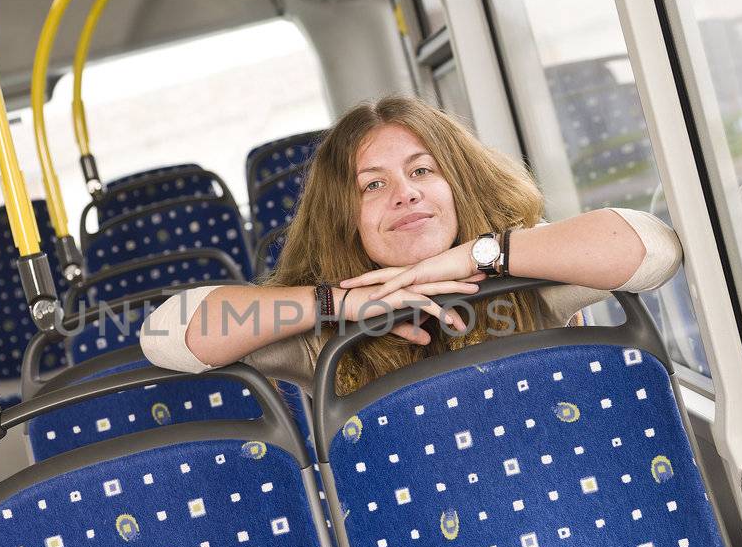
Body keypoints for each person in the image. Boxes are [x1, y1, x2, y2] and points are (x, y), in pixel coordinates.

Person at [141, 97, 682, 394]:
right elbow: (165, 333)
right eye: (372, 185)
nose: (406, 195)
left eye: (423, 170)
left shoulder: (525, 269)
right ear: (345, 220)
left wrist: (477, 257)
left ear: (459, 185)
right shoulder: (314, 335)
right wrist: (338, 304)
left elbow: (653, 249)